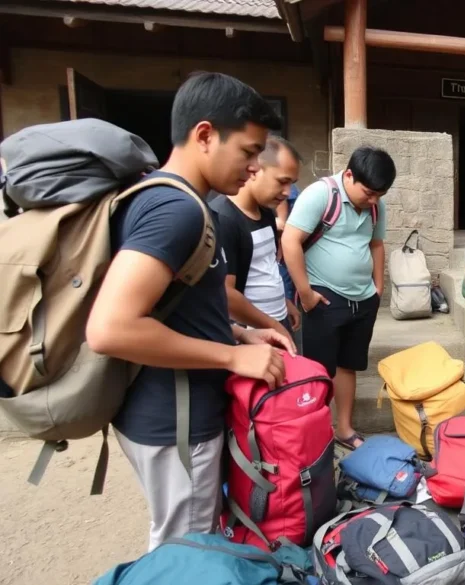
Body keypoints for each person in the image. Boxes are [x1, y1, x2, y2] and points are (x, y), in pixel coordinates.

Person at [85, 71, 296, 552]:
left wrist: (239, 334)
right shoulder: (175, 210)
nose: (252, 168)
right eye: (247, 152)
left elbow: (176, 304)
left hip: (170, 411)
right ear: (204, 135)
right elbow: (110, 328)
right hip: (175, 420)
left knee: (189, 542)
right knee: (187, 554)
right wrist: (230, 358)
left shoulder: (179, 202)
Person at [281, 146, 395, 451]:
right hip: (324, 297)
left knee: (348, 365)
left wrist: (378, 290)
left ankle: (344, 429)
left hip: (363, 300)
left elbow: (376, 245)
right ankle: (316, 433)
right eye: (369, 192)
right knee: (319, 370)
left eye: (379, 195)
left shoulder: (374, 206)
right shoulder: (321, 195)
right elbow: (290, 240)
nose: (373, 200)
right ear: (348, 175)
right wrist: (305, 293)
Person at [210, 135, 302, 348]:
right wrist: (271, 325)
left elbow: (266, 266)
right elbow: (227, 293)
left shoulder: (266, 213)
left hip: (276, 321)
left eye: (291, 183)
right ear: (253, 170)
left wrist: (285, 303)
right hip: (251, 333)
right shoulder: (224, 219)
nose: (287, 192)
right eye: (282, 181)